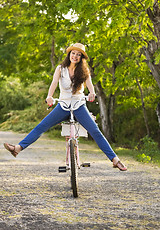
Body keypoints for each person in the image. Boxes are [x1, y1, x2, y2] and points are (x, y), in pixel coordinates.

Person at [4, 43, 127, 171]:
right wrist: (49, 96)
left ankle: (115, 160)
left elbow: (90, 85)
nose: (75, 56)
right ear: (69, 54)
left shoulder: (84, 71)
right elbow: (54, 83)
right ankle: (17, 148)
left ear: (81, 58)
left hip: (79, 106)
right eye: (73, 53)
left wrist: (92, 93)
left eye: (78, 55)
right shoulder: (60, 69)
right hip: (63, 106)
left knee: (95, 131)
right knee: (41, 126)